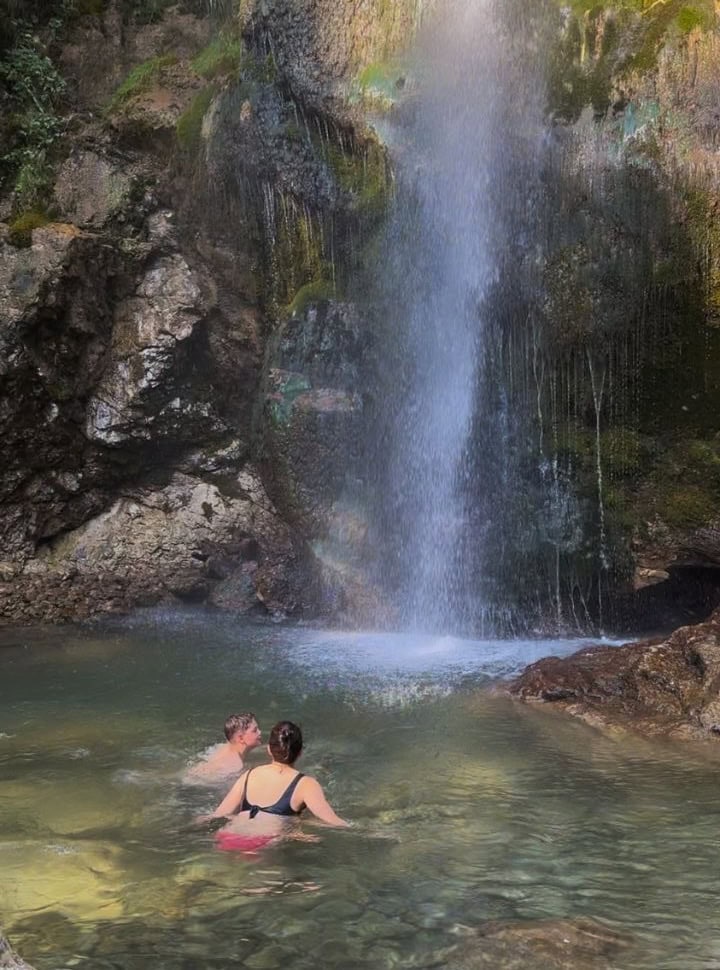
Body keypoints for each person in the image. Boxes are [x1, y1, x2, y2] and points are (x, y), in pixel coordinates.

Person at [209, 720, 349, 851]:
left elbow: (219, 814)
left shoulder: (249, 774)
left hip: (226, 837)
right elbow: (333, 822)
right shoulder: (306, 784)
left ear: (269, 749)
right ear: (300, 752)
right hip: (261, 844)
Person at [183, 712, 262, 784]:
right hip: (192, 786)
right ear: (241, 738)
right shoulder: (235, 767)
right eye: (255, 730)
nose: (260, 732)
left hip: (190, 774)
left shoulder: (222, 747)